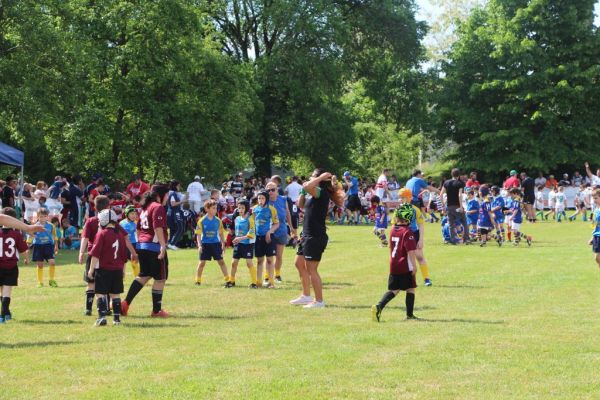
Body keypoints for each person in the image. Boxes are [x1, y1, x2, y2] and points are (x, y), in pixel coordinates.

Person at [289, 169, 344, 308]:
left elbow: (308, 186)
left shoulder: (320, 192)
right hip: (307, 234)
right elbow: (300, 205)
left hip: (315, 235)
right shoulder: (314, 192)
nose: (309, 178)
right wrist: (303, 191)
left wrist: (318, 178)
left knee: (311, 269)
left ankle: (319, 301)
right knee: (299, 263)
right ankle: (306, 296)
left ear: (320, 180)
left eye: (313, 176)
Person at [80, 195, 138, 316]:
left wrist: (81, 252)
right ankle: (105, 309)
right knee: (105, 284)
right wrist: (133, 252)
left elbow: (84, 238)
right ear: (108, 207)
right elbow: (126, 238)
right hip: (108, 256)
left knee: (91, 283)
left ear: (95, 207)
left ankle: (88, 309)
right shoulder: (112, 223)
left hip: (93, 255)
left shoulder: (90, 221)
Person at [121, 184, 170, 318]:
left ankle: (125, 303)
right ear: (161, 195)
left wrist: (138, 246)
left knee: (144, 275)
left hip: (142, 245)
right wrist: (162, 245)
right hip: (154, 247)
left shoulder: (144, 208)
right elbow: (158, 227)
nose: (168, 198)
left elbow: (138, 229)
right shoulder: (157, 207)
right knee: (160, 279)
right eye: (167, 195)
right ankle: (156, 311)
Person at [371, 203, 419, 322]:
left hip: (394, 264)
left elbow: (390, 248)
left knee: (394, 290)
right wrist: (414, 266)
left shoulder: (393, 230)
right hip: (405, 265)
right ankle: (409, 315)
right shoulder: (407, 232)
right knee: (411, 288)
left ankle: (379, 306)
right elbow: (411, 251)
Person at [87, 209, 128, 326]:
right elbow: (124, 255)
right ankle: (116, 319)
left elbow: (95, 254)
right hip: (117, 269)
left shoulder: (102, 233)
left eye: (100, 220)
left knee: (100, 293)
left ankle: (102, 317)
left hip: (104, 269)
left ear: (104, 220)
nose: (99, 223)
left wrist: (91, 270)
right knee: (115, 294)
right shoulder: (120, 235)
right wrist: (124, 270)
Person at [0, 207, 29, 323]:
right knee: (7, 291)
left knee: (2, 290)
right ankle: (4, 313)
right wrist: (26, 259)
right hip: (11, 266)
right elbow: (23, 250)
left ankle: (5, 313)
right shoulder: (16, 234)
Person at [398, 188, 432, 286]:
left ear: (409, 198)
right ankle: (409, 280)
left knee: (419, 257)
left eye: (402, 198)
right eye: (399, 198)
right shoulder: (398, 210)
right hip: (403, 236)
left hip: (414, 235)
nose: (400, 200)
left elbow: (421, 225)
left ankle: (426, 279)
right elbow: (394, 225)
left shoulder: (415, 209)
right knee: (405, 259)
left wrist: (421, 240)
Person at [194, 199, 230, 287]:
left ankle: (227, 280)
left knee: (221, 262)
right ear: (207, 209)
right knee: (202, 262)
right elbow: (198, 235)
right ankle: (198, 280)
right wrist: (199, 245)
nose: (215, 210)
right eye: (213, 208)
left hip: (216, 244)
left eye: (216, 208)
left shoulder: (218, 221)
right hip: (205, 245)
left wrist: (223, 244)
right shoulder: (201, 221)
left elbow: (221, 233)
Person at [266, 181, 296, 283]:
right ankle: (267, 276)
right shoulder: (264, 201)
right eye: (268, 190)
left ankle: (277, 275)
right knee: (269, 255)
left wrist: (291, 227)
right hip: (269, 231)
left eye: (272, 190)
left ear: (277, 190)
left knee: (279, 255)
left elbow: (287, 213)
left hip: (282, 230)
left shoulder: (283, 199)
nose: (270, 192)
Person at [253, 191, 279, 288]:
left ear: (266, 199)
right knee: (259, 261)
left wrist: (269, 232)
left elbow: (277, 223)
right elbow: (252, 223)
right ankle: (258, 282)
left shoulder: (271, 209)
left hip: (268, 237)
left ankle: (271, 282)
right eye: (259, 198)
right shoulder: (254, 209)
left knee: (269, 260)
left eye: (262, 198)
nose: (260, 200)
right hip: (258, 238)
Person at [229, 200, 258, 288]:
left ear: (246, 208)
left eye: (242, 208)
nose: (240, 210)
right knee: (234, 263)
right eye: (239, 208)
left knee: (249, 263)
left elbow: (252, 233)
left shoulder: (250, 219)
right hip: (238, 244)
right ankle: (231, 281)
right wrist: (235, 238)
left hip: (248, 244)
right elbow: (236, 231)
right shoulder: (237, 219)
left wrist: (240, 238)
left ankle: (254, 283)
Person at [30, 208, 59, 288]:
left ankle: (51, 280)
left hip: (49, 246)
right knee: (40, 265)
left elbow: (55, 236)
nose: (43, 218)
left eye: (44, 216)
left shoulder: (51, 226)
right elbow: (30, 233)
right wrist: (31, 238)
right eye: (41, 216)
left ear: (47, 217)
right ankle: (40, 282)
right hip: (38, 246)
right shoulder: (35, 226)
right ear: (38, 217)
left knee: (52, 262)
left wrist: (56, 246)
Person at [440, 168, 469, 244]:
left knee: (451, 224)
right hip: (457, 205)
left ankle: (453, 239)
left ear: (451, 174)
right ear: (458, 175)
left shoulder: (446, 183)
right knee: (464, 222)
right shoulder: (460, 183)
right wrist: (461, 206)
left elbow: (441, 194)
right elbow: (460, 195)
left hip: (449, 206)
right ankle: (466, 239)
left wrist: (443, 205)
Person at [120, 206, 140, 277]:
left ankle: (137, 276)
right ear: (126, 214)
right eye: (132, 214)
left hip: (134, 245)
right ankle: (121, 276)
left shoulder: (137, 223)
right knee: (123, 261)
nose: (134, 216)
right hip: (124, 245)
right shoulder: (121, 223)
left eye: (135, 214)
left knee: (134, 260)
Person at [167, 180, 184, 250]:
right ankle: (172, 243)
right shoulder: (173, 194)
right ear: (175, 186)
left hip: (173, 213)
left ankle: (171, 244)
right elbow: (173, 204)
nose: (179, 187)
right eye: (178, 186)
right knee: (180, 227)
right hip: (174, 212)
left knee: (173, 229)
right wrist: (182, 202)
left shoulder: (173, 193)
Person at [588, 189, 600, 268]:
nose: (594, 200)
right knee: (597, 258)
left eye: (596, 198)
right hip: (597, 236)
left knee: (597, 257)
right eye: (593, 198)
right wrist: (592, 237)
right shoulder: (596, 210)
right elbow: (596, 225)